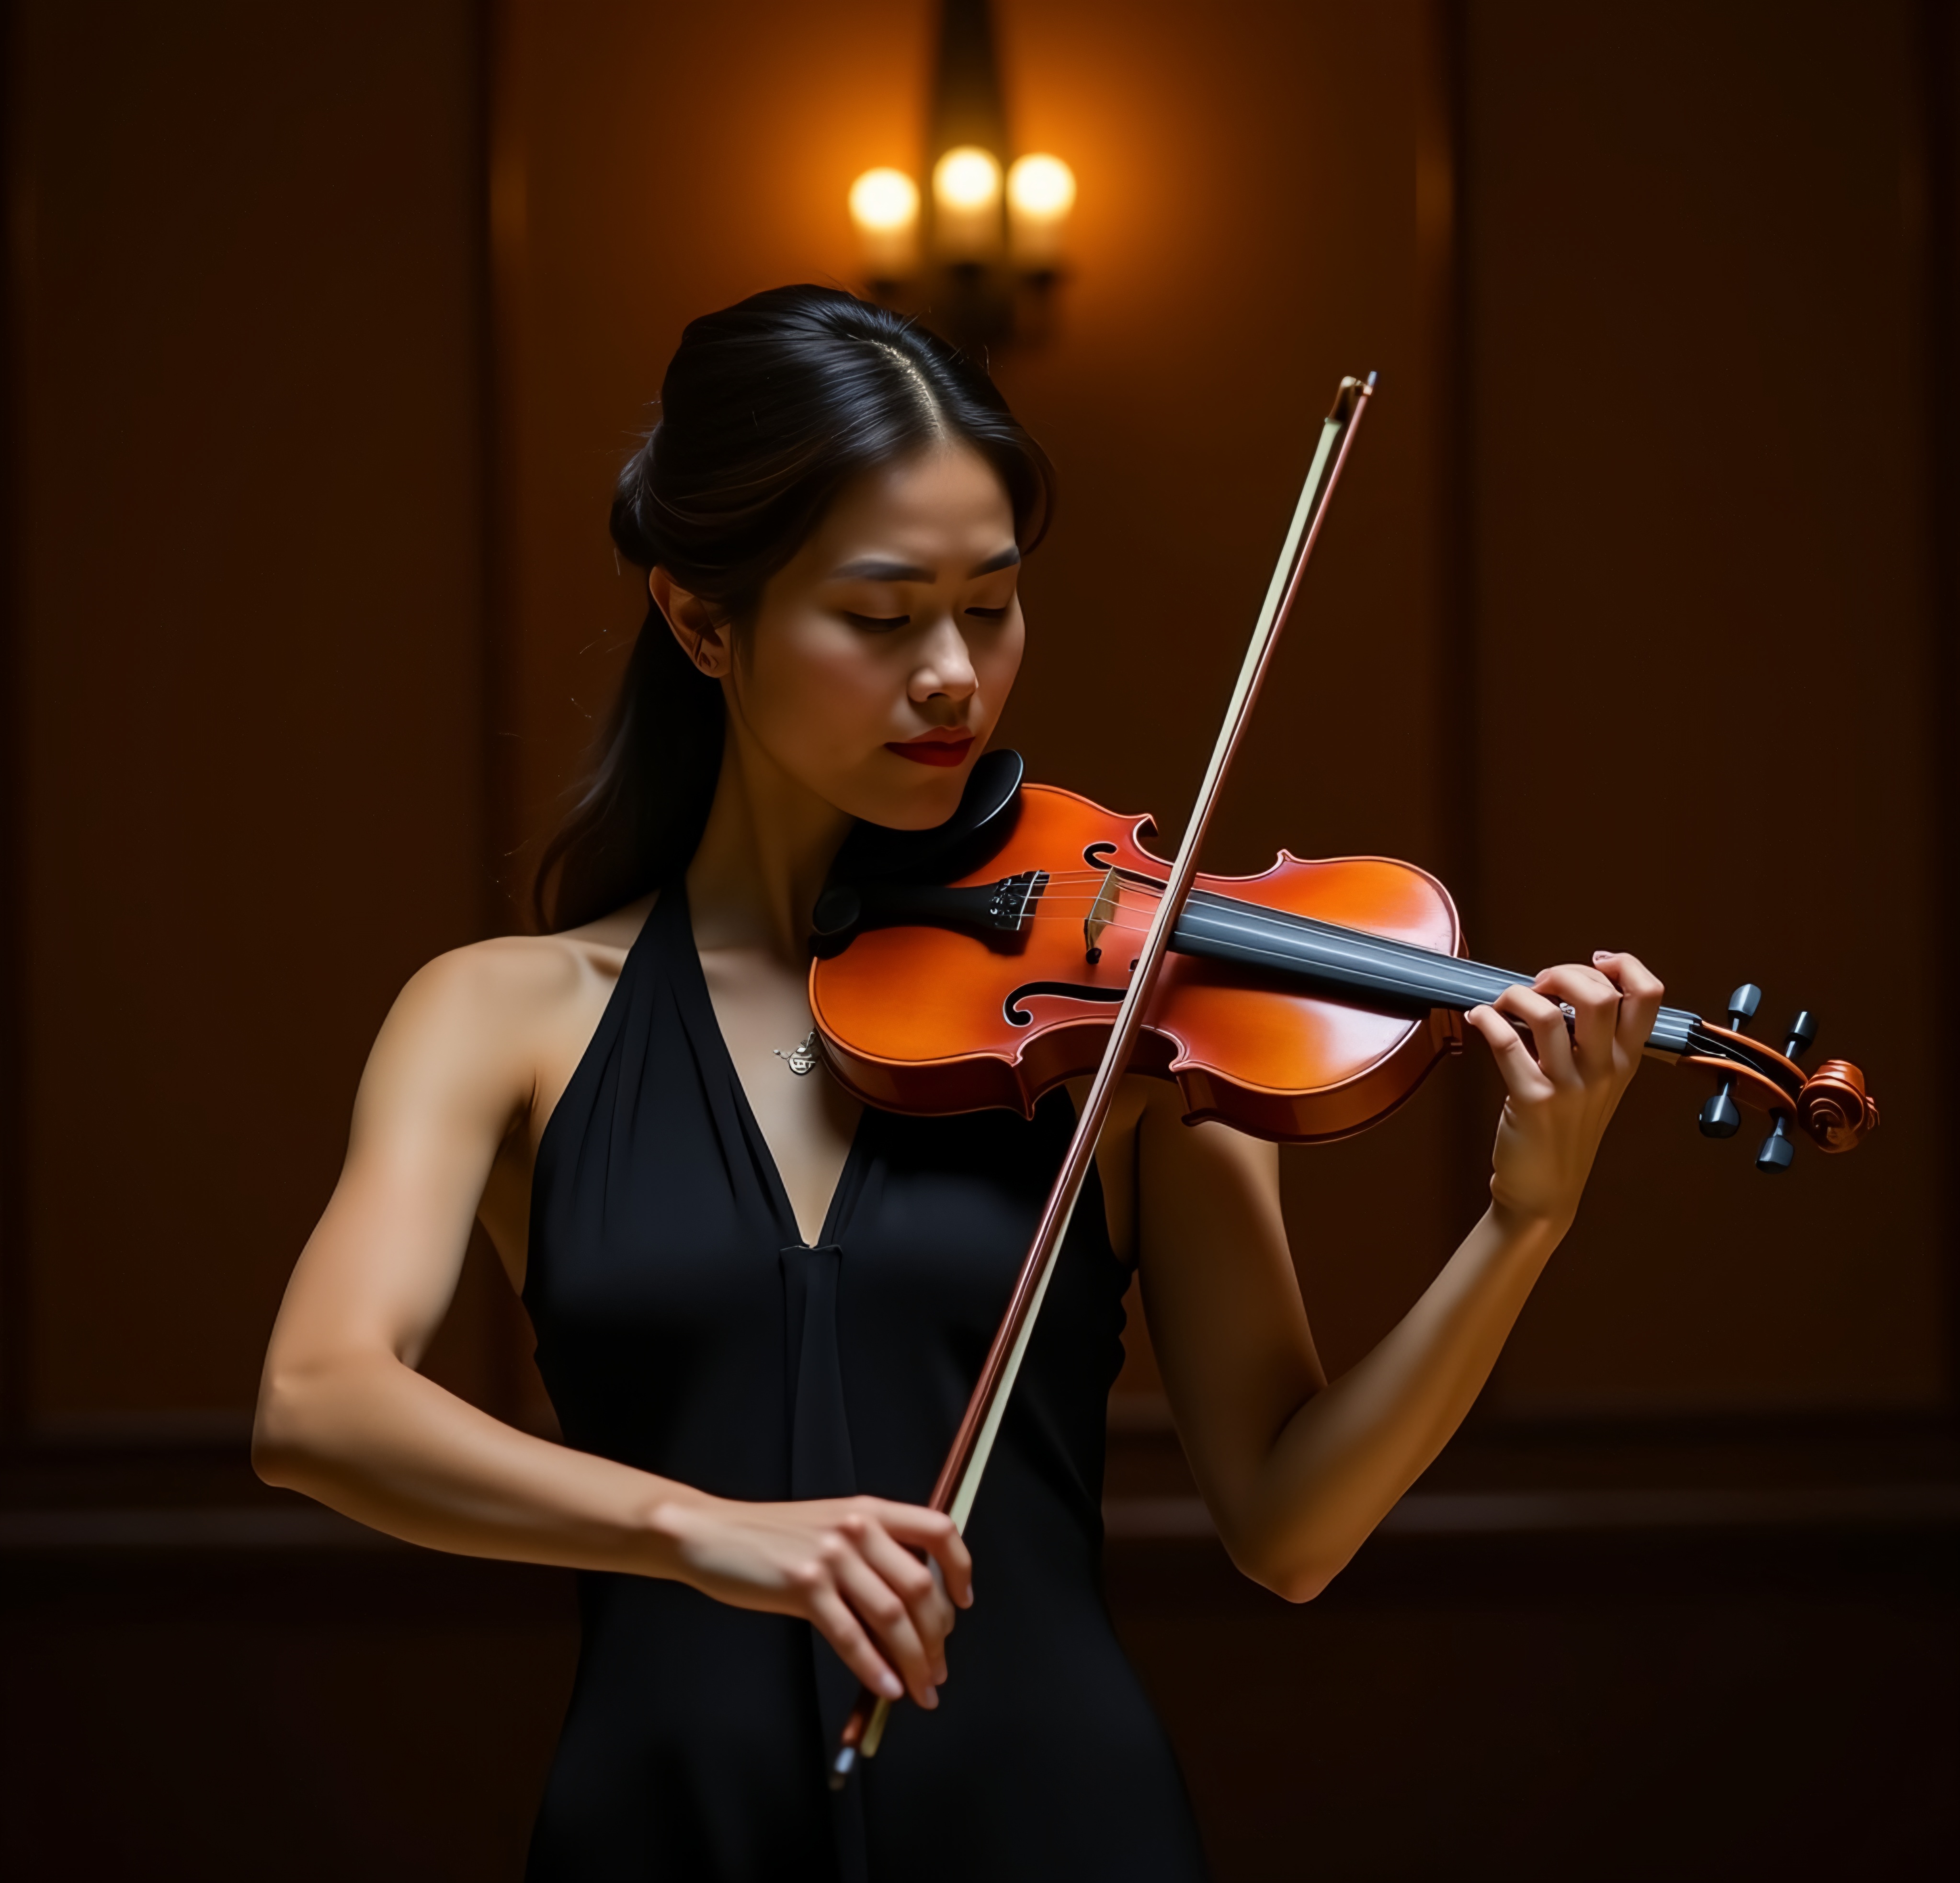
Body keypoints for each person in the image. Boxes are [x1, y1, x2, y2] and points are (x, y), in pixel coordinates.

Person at [252, 285, 1663, 1881]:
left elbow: (1289, 1524)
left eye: (988, 608)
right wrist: (702, 1530)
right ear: (701, 620)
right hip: (663, 1833)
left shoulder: (1128, 1019)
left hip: (1053, 1827)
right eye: (880, 614)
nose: (952, 675)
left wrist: (1519, 1225)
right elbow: (317, 1405)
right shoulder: (502, 1016)